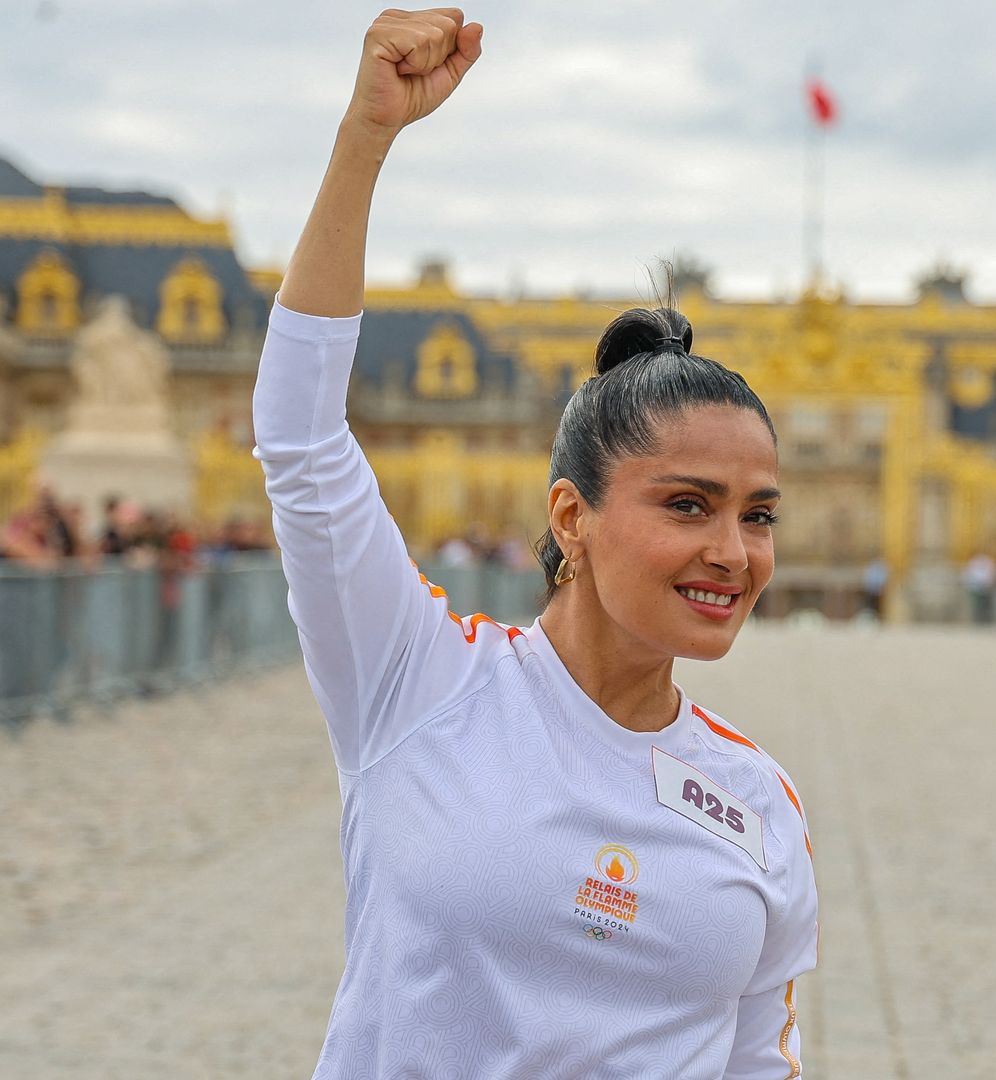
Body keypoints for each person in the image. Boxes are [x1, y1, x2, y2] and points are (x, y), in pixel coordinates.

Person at [252, 9, 817, 1078]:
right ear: (572, 518)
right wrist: (365, 139)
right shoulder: (415, 684)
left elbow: (758, 1061)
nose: (734, 552)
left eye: (758, 514)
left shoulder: (759, 804)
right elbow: (299, 438)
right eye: (688, 506)